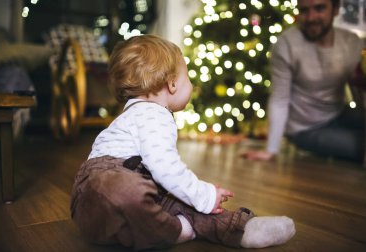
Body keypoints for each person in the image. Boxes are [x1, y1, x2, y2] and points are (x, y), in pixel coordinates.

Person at [70, 35, 295, 250]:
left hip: (103, 215)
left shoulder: (134, 113)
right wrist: (203, 194)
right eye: (188, 77)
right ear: (172, 84)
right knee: (135, 192)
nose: (192, 85)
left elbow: (161, 176)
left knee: (177, 200)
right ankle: (179, 230)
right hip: (105, 189)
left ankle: (242, 229)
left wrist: (195, 196)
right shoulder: (152, 114)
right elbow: (164, 168)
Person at [243, 0, 365, 162]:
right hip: (304, 129)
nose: (311, 17)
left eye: (319, 8)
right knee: (361, 146)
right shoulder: (286, 45)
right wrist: (270, 150)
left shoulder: (352, 42)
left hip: (338, 113)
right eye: (304, 10)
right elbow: (280, 99)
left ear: (335, 10)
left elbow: (358, 86)